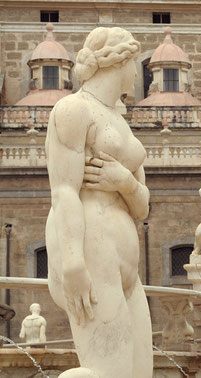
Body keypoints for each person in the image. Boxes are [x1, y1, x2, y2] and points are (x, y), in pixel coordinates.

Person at [45, 27, 152, 377]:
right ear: (118, 61)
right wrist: (73, 262)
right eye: (135, 62)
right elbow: (63, 191)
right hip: (92, 254)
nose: (137, 72)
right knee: (108, 372)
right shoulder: (73, 109)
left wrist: (122, 180)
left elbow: (142, 206)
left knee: (140, 373)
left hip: (126, 266)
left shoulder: (122, 122)